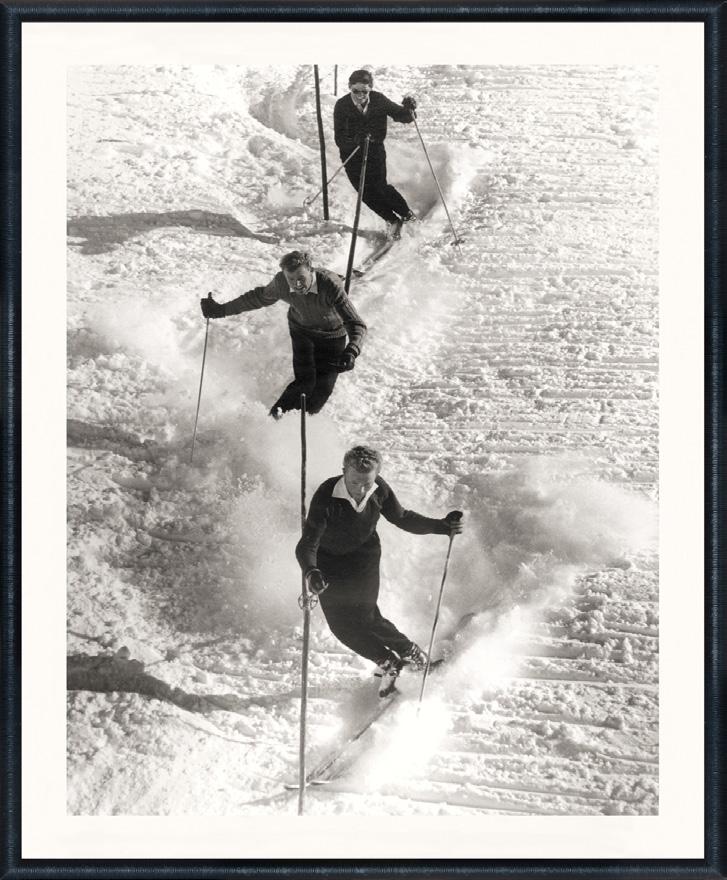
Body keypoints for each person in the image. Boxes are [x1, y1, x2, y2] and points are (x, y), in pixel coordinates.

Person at [296, 445, 464, 695]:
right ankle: (389, 663)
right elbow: (307, 544)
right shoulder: (326, 495)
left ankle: (415, 656)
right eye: (354, 482)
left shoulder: (379, 489)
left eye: (367, 483)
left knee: (365, 616)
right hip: (328, 564)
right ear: (344, 471)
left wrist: (441, 526)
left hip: (363, 558)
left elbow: (402, 517)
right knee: (342, 627)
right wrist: (311, 571)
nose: (361, 489)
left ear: (376, 476)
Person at [200, 251, 366, 418]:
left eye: (301, 278)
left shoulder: (330, 285)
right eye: (291, 279)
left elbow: (356, 324)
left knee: (322, 389)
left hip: (331, 335)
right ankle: (274, 421)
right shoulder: (281, 282)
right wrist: (221, 310)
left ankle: (303, 423)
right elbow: (258, 297)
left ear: (311, 270)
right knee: (304, 383)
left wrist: (351, 351)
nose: (297, 284)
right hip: (301, 331)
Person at [333, 69, 418, 241]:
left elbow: (403, 116)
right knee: (365, 193)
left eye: (364, 91)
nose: (360, 95)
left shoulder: (378, 99)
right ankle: (392, 220)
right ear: (349, 87)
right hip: (352, 155)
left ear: (370, 89)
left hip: (374, 151)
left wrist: (409, 110)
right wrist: (355, 139)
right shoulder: (342, 106)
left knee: (380, 187)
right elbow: (339, 138)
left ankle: (407, 215)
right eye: (356, 91)